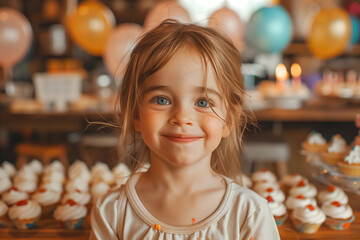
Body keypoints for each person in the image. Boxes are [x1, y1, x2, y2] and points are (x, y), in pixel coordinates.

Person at [90, 19, 280, 240]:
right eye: (161, 100)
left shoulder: (249, 214)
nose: (182, 117)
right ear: (135, 114)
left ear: (229, 119)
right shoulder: (112, 214)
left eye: (203, 102)